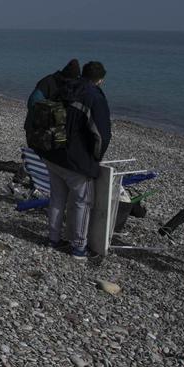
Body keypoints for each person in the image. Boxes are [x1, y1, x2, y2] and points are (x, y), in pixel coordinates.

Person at [43, 61, 111, 259]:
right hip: (76, 160)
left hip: (54, 153)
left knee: (57, 198)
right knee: (83, 202)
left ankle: (53, 240)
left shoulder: (65, 87)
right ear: (100, 80)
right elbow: (101, 135)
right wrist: (95, 159)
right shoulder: (94, 98)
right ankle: (79, 248)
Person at [24, 58, 80, 143]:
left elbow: (32, 102)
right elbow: (32, 103)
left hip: (34, 129)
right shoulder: (72, 87)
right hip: (42, 133)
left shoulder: (47, 80)